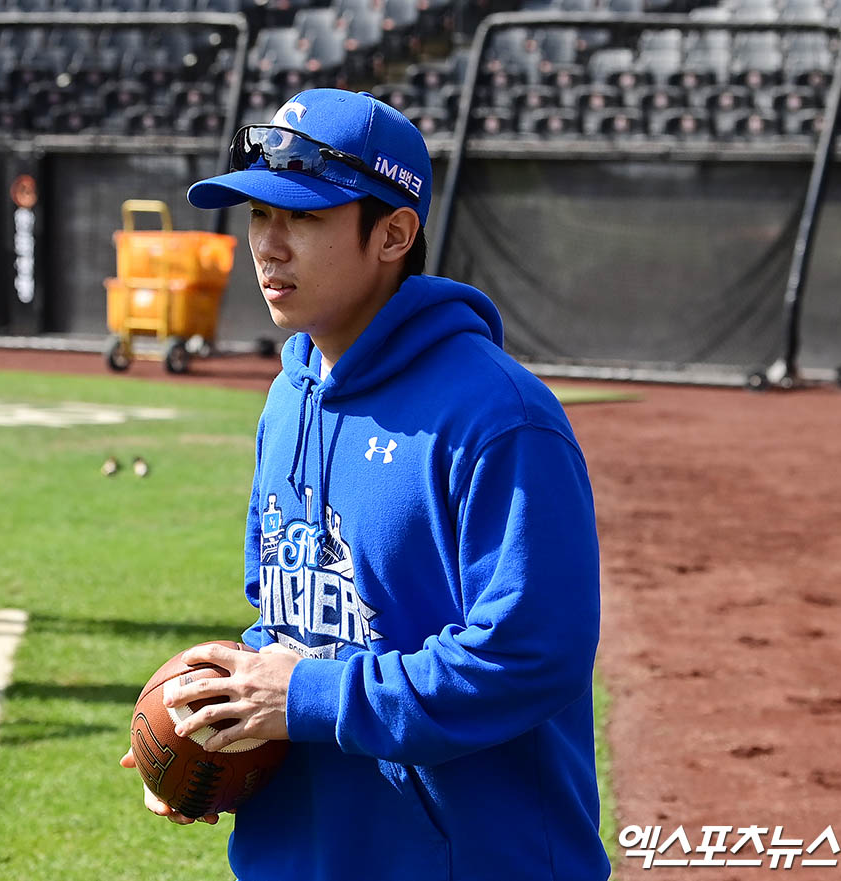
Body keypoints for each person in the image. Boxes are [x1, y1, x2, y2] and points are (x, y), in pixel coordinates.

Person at [119, 89, 610, 880]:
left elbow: (529, 654)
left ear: (393, 233)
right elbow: (286, 619)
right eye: (258, 217)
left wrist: (307, 697)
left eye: (303, 218)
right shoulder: (288, 397)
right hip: (299, 853)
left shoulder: (501, 416)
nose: (269, 248)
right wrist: (215, 719)